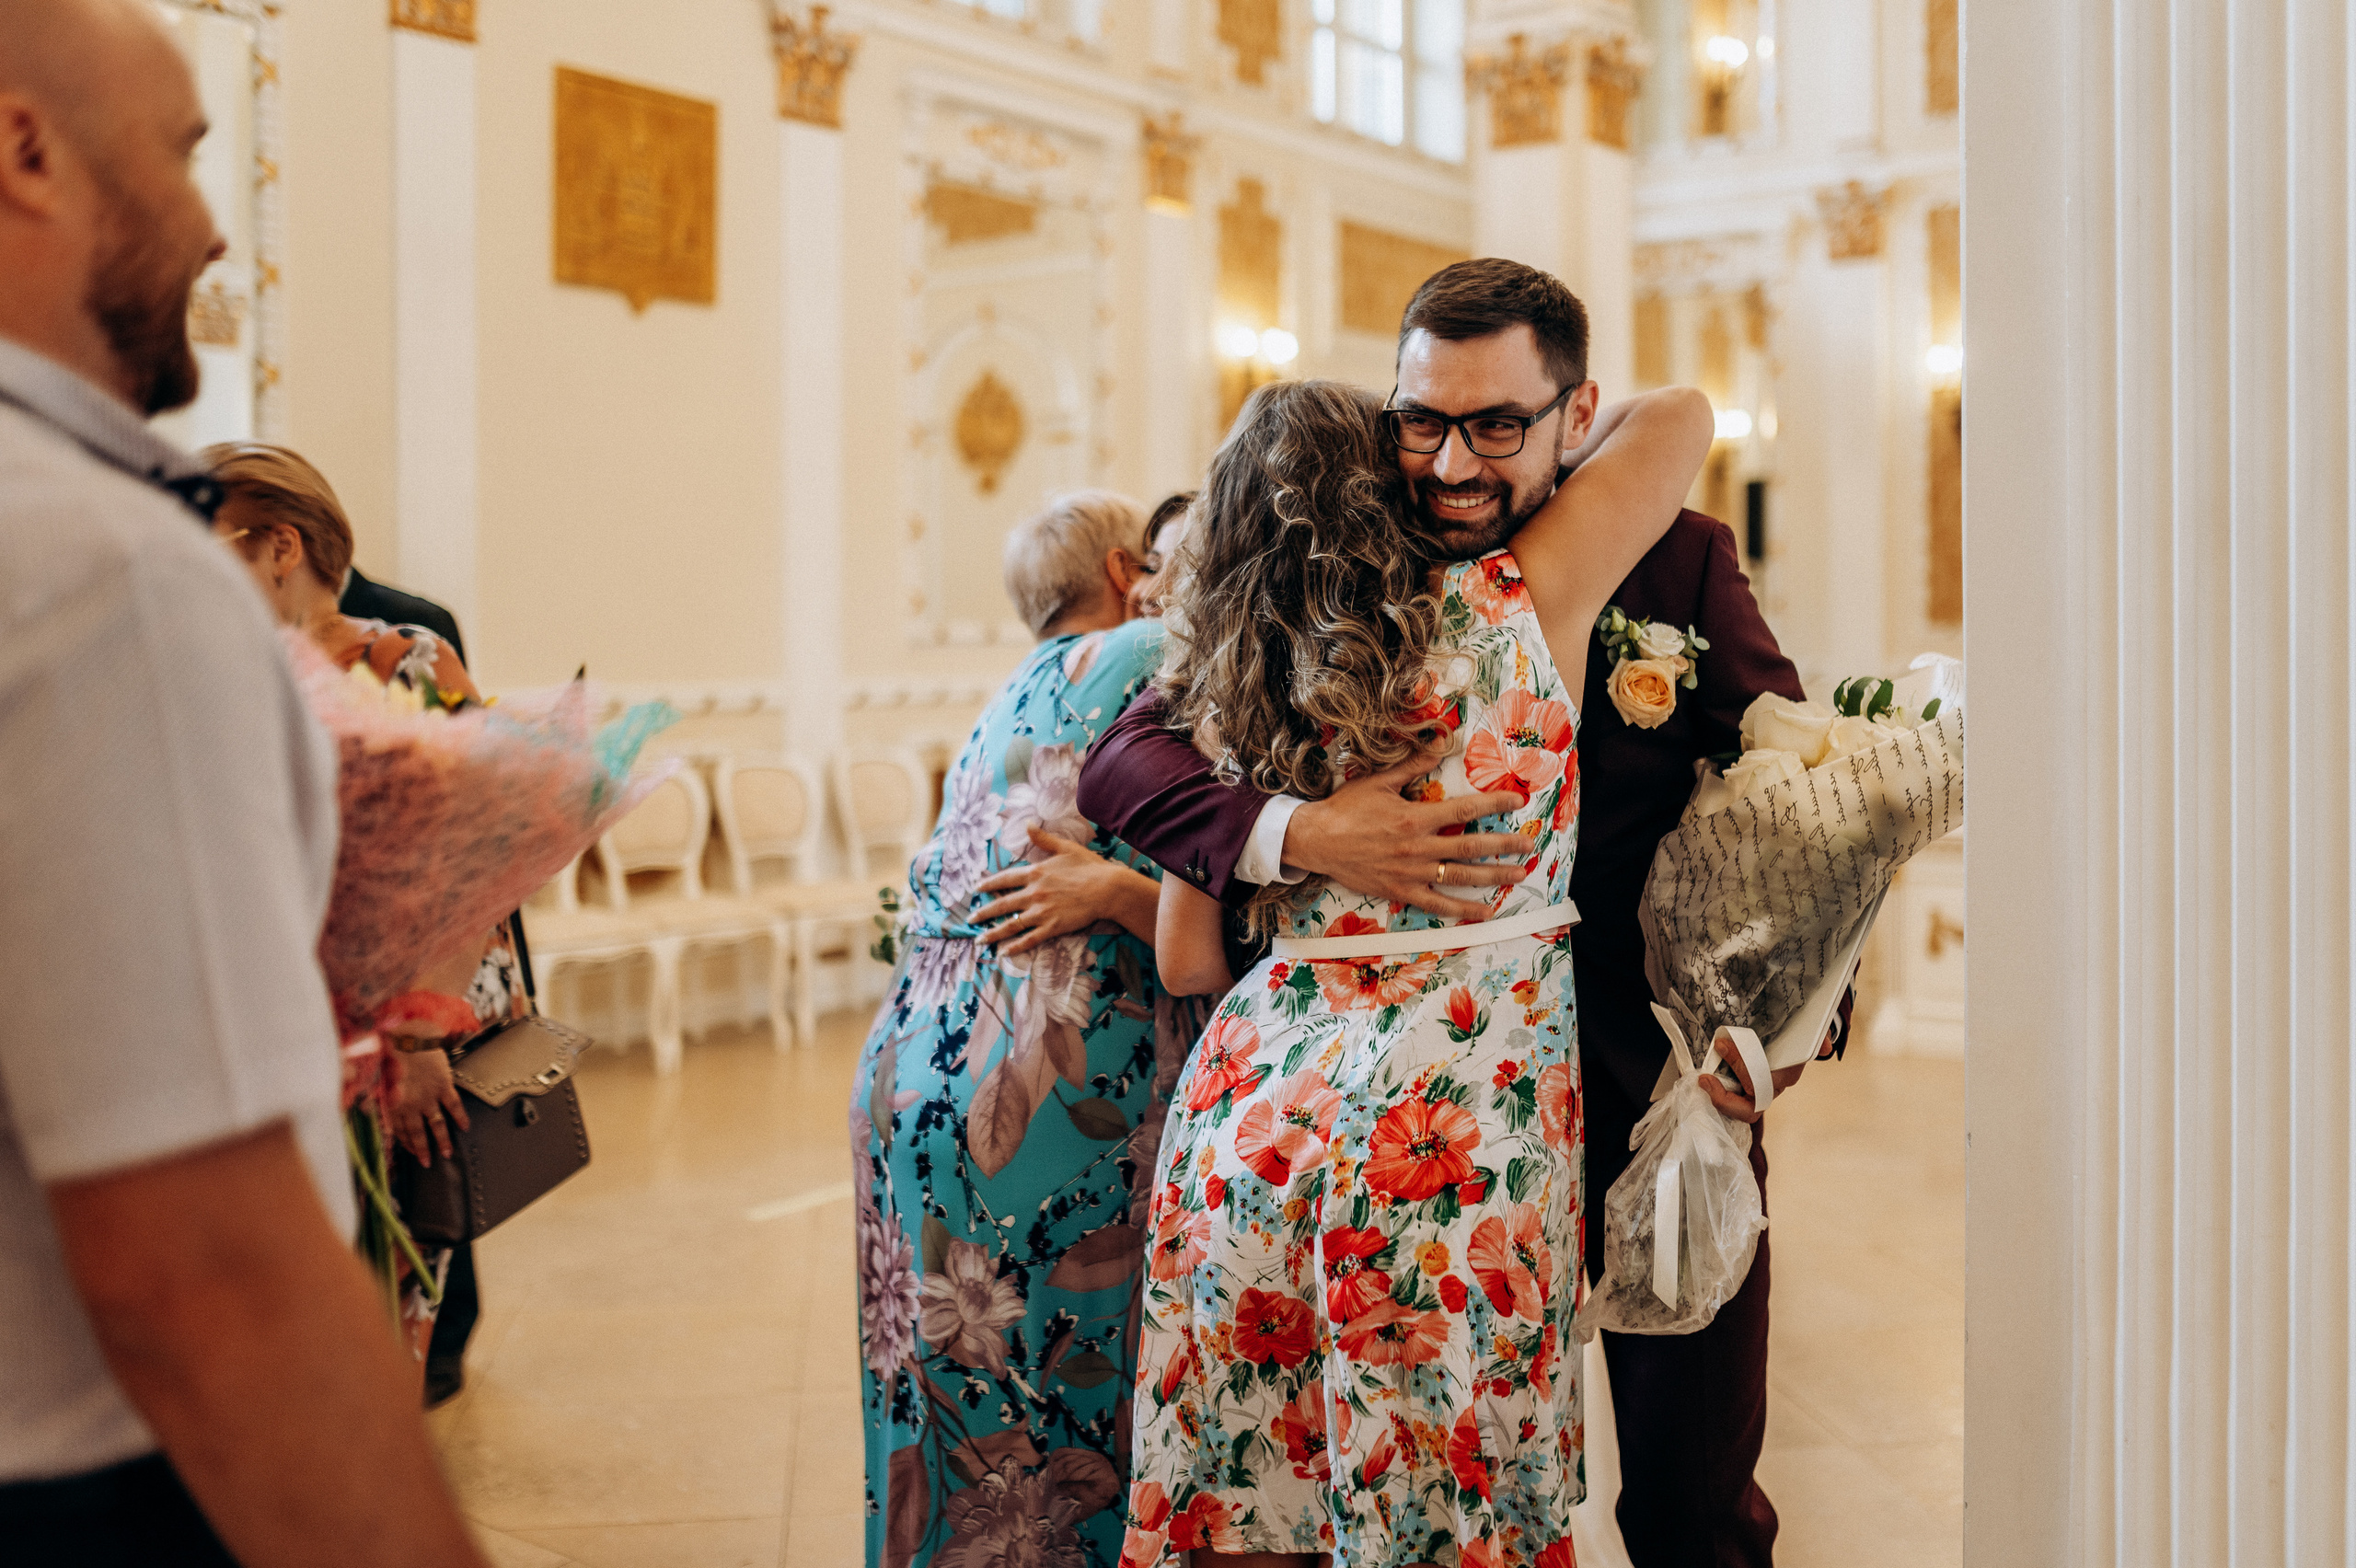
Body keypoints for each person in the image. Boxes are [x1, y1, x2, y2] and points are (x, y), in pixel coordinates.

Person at [1080, 259, 1831, 1568]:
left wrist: (1792, 1023)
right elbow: (1123, 764)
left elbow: (1803, 799)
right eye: (1419, 423)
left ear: (1572, 414)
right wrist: (1297, 833)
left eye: (1497, 424)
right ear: (1382, 429)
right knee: (1420, 1473)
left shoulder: (1667, 561)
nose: (1450, 461)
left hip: (1639, 1083)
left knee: (1683, 1493)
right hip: (1465, 1111)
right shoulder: (1441, 605)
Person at [0, 3, 489, 1563]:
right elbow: (206, 1273)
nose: (216, 226)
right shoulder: (99, 576)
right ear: (26, 150)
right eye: (184, 152)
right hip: (88, 1472)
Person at [853, 491, 1206, 1568]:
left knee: (935, 1392)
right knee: (1059, 1397)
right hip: (1040, 1094)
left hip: (911, 1076)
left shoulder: (1004, 695)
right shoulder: (1156, 650)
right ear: (1122, 566)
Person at [203, 441, 526, 1402]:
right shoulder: (229, 674)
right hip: (283, 1023)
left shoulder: (405, 660)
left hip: (401, 1029)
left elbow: (484, 851)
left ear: (277, 546)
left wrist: (421, 1033)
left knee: (385, 1288)